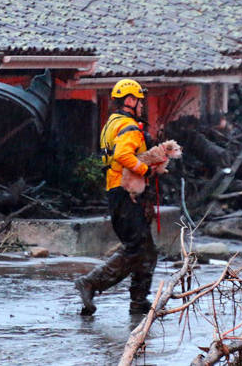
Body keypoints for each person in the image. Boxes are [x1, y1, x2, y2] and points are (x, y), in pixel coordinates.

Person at [74, 79, 158, 315]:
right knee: (136, 246)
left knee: (147, 249)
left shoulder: (113, 122)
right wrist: (146, 170)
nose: (141, 105)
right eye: (139, 100)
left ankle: (139, 302)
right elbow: (123, 155)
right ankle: (91, 282)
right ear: (130, 101)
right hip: (126, 192)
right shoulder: (129, 127)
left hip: (121, 190)